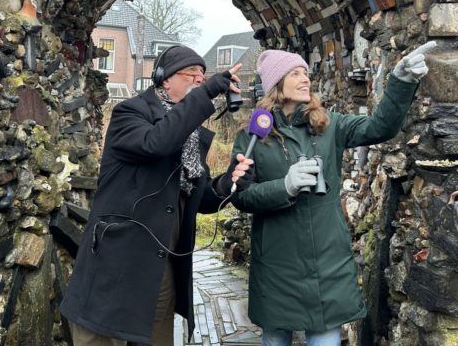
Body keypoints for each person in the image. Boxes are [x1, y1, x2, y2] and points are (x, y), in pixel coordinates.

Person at [229, 43, 436, 346]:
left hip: (327, 259)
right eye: (295, 73)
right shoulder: (251, 137)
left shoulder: (330, 125)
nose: (305, 79)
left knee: (326, 338)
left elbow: (381, 127)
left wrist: (401, 82)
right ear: (276, 84)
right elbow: (241, 196)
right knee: (275, 338)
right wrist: (284, 187)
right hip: (276, 261)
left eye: (306, 73)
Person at [60, 45, 255, 346]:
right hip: (117, 261)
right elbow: (156, 143)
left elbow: (198, 200)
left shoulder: (188, 134)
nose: (199, 81)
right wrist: (203, 97)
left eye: (203, 77)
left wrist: (228, 182)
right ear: (164, 79)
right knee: (101, 339)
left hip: (160, 266)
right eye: (191, 74)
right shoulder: (130, 113)